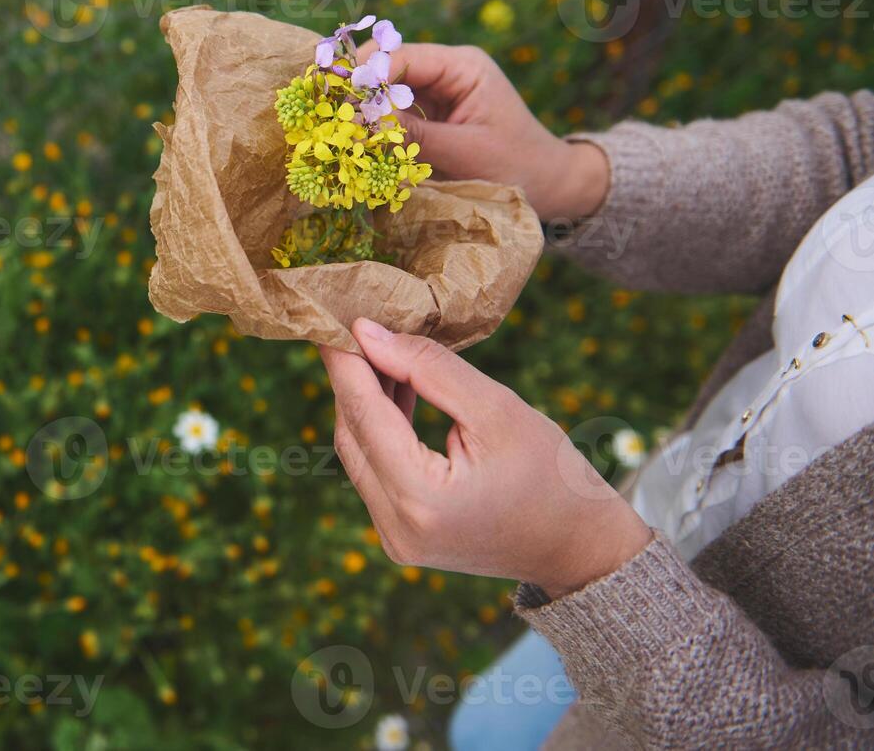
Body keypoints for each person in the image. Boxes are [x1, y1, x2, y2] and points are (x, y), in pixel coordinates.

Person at [320, 40, 874, 749]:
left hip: (644, 644)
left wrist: (582, 564)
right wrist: (565, 176)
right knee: (485, 725)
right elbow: (847, 155)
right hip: (653, 521)